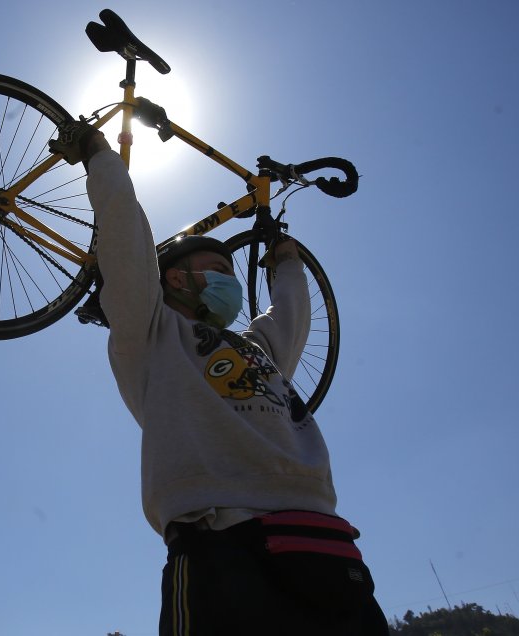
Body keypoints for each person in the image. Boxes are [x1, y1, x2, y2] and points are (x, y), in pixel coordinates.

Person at [48, 122, 388, 635]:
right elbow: (125, 232)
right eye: (217, 269)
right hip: (221, 542)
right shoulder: (149, 330)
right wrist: (99, 154)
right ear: (176, 280)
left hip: (324, 543)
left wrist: (287, 260)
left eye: (233, 271)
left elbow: (292, 312)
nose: (230, 279)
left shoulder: (258, 347)